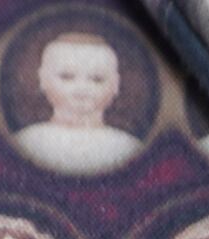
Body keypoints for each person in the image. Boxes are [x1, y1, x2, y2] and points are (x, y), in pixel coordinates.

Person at [12, 31, 141, 174]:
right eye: (67, 77)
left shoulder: (129, 147)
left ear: (116, 84)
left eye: (97, 79)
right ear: (42, 79)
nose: (82, 90)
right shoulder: (25, 142)